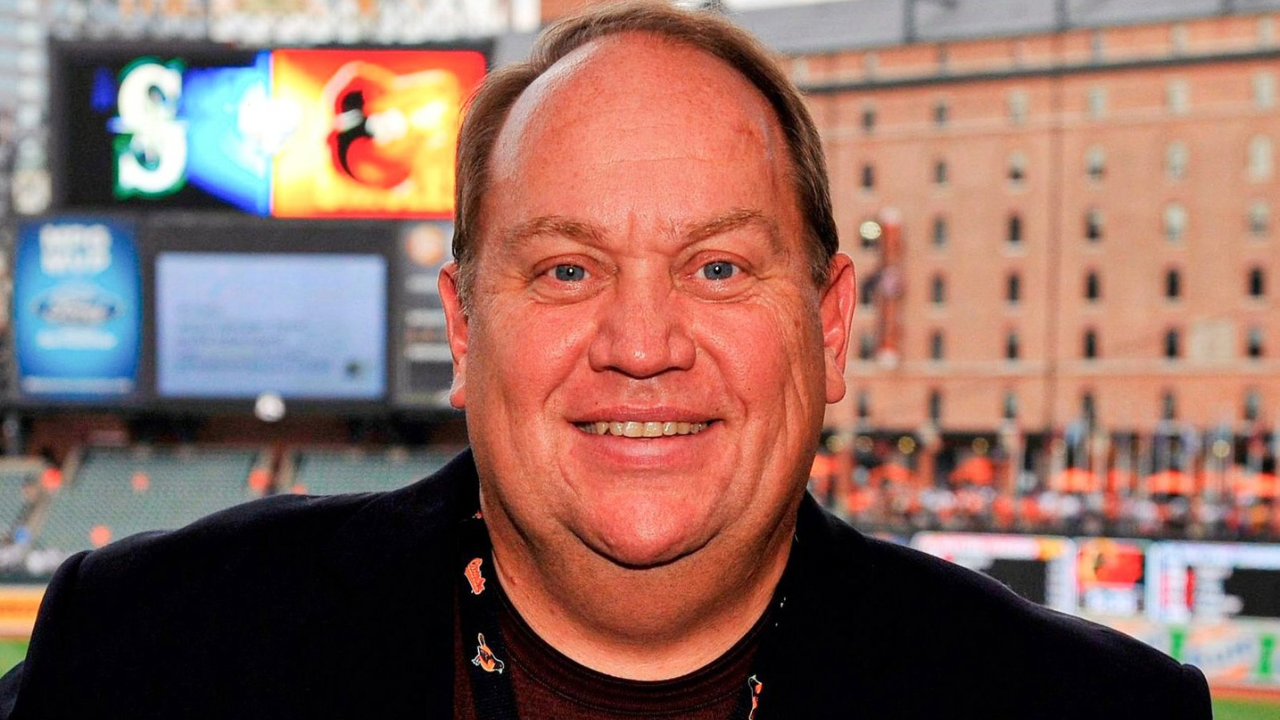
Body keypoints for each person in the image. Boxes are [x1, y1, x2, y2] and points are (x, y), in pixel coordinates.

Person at [0, 3, 1211, 719]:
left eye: (718, 268)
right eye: (565, 270)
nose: (640, 347)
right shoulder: (145, 657)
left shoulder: (1084, 713)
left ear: (830, 327)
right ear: (462, 330)